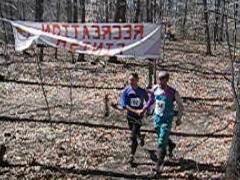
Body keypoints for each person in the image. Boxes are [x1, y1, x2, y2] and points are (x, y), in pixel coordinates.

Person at [149, 71, 184, 174]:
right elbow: (150, 99)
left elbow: (180, 105)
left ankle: (158, 165)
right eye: (158, 78)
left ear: (166, 80)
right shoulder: (155, 88)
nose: (159, 81)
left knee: (161, 142)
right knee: (161, 135)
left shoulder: (173, 92)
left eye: (162, 79)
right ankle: (171, 144)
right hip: (157, 119)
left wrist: (179, 118)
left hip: (167, 120)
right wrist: (149, 110)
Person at [120, 73, 152, 167]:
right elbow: (124, 104)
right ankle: (141, 137)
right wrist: (135, 110)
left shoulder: (142, 91)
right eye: (130, 80)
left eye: (133, 79)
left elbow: (149, 101)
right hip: (130, 116)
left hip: (139, 117)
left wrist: (145, 110)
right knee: (135, 132)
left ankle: (131, 156)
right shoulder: (126, 91)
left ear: (137, 80)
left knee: (132, 136)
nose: (131, 81)